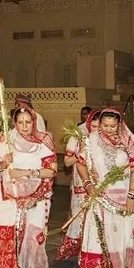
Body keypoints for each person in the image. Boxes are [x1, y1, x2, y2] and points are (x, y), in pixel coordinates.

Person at [0, 106, 57, 268]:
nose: (24, 126)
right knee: (10, 234)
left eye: (28, 122)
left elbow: (52, 171)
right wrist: (3, 163)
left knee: (33, 238)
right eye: (20, 122)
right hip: (11, 199)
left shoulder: (44, 141)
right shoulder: (7, 141)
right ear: (15, 123)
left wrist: (26, 173)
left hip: (36, 199)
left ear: (34, 121)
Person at [76, 108, 134, 268]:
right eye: (105, 125)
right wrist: (88, 184)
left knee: (121, 238)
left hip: (123, 198)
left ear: (119, 124)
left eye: (112, 126)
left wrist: (131, 196)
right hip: (100, 197)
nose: (108, 129)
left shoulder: (128, 141)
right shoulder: (91, 140)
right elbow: (80, 163)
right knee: (98, 239)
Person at [57, 108, 100, 260]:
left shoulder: (104, 140)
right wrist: (79, 154)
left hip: (99, 185)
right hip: (81, 183)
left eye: (98, 127)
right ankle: (73, 248)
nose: (96, 130)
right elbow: (67, 162)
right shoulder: (78, 136)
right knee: (79, 215)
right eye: (93, 127)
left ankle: (91, 250)